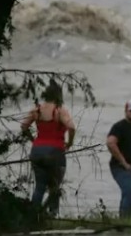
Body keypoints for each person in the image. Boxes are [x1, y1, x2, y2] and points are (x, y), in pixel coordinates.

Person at [20, 81, 76, 217]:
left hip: (37, 151)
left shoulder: (37, 110)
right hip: (55, 152)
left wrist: (33, 140)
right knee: (54, 187)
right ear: (58, 95)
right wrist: (69, 143)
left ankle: (33, 216)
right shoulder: (59, 110)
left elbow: (23, 126)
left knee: (39, 186)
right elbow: (72, 127)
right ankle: (51, 215)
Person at [106, 100, 131, 219]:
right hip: (121, 167)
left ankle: (125, 221)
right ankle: (126, 221)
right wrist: (123, 162)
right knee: (130, 191)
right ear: (126, 111)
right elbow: (110, 143)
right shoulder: (119, 126)